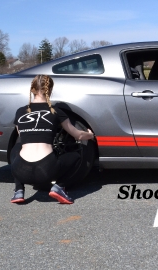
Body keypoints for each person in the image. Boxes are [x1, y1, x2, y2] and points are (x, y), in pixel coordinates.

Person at [10, 74, 95, 204]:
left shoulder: (20, 112)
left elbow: (22, 136)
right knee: (77, 155)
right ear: (50, 90)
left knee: (16, 148)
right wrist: (90, 134)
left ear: (32, 90)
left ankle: (18, 190)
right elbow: (78, 135)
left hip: (21, 171)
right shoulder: (56, 111)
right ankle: (59, 187)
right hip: (46, 171)